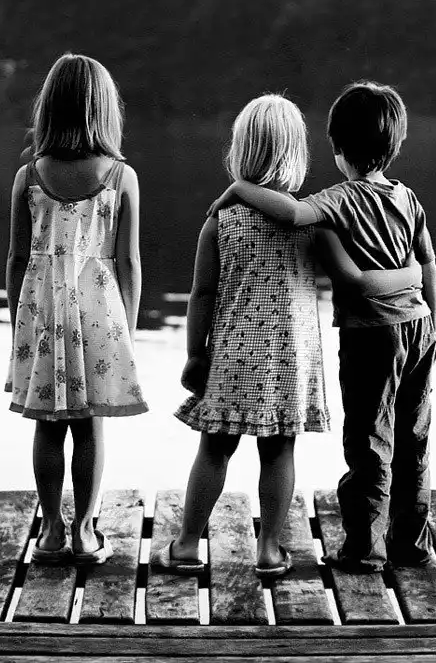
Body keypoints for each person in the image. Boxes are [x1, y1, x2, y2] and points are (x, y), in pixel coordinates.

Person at [151, 94, 421, 577]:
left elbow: (201, 294)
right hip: (289, 360)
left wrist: (195, 354)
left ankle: (188, 545)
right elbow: (350, 278)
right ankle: (270, 551)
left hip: (232, 355)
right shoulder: (314, 223)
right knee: (278, 451)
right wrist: (411, 279)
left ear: (240, 149)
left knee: (215, 447)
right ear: (297, 153)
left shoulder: (221, 219)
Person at [5, 53, 148, 565]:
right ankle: (85, 533)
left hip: (42, 315)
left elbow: (17, 260)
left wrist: (17, 326)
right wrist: (128, 333)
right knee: (90, 425)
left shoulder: (28, 176)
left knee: (47, 423)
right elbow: (128, 263)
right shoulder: (121, 177)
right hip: (100, 318)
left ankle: (49, 532)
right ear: (104, 110)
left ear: (49, 109)